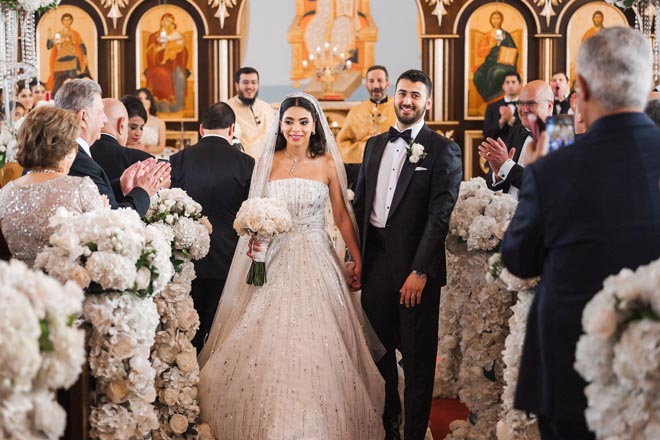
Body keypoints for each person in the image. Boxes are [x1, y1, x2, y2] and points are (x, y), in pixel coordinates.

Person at [501, 27, 660, 440]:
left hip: (570, 371)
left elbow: (518, 261)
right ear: (646, 85)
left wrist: (534, 175)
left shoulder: (554, 168)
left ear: (582, 88)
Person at [198, 93, 385, 439]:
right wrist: (254, 239)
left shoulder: (327, 163)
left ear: (315, 125)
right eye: (289, 121)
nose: (295, 128)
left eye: (303, 121)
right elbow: (255, 211)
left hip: (316, 256)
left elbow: (341, 216)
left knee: (321, 337)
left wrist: (356, 257)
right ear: (279, 125)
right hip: (273, 258)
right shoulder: (266, 163)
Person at [353, 69, 463, 440]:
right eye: (402, 93)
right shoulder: (373, 145)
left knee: (416, 359)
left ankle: (415, 432)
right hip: (376, 265)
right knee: (377, 351)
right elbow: (361, 207)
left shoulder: (443, 149)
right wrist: (356, 258)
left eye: (415, 95)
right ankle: (389, 423)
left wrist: (420, 270)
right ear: (393, 96)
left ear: (427, 102)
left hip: (416, 269)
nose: (407, 100)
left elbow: (439, 217)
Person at [169, 102, 254, 352]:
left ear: (201, 129)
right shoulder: (247, 164)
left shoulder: (178, 160)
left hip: (186, 259)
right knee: (219, 330)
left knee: (188, 328)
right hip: (229, 258)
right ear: (232, 129)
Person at [0, 106, 105, 266]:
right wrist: (103, 213)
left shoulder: (7, 192)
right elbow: (101, 244)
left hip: (20, 285)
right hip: (69, 286)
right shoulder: (81, 188)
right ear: (68, 149)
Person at [55, 79, 168, 217]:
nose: (104, 120)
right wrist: (143, 190)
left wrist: (119, 185)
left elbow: (94, 196)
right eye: (100, 112)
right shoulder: (77, 159)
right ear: (83, 117)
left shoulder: (64, 151)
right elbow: (113, 220)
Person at [478, 80, 554, 197]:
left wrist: (505, 166)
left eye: (530, 103)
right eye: (521, 103)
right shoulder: (516, 131)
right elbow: (492, 184)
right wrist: (498, 173)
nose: (524, 109)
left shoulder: (561, 133)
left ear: (549, 107)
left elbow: (546, 185)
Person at [336, 65, 397, 164]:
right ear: (367, 85)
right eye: (371, 81)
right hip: (362, 168)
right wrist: (365, 149)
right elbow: (342, 143)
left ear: (387, 84)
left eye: (380, 80)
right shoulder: (355, 112)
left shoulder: (398, 110)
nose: (376, 86)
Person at [91, 98, 153, 181]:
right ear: (121, 125)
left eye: (141, 128)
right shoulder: (143, 161)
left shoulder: (76, 154)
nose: (138, 133)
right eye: (132, 127)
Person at [226, 67, 275, 158]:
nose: (250, 87)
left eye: (253, 82)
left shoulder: (266, 108)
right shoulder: (227, 109)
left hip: (268, 164)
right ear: (237, 86)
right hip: (241, 163)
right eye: (245, 82)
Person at [145, 13, 188, 113]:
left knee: (181, 77)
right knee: (162, 75)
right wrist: (159, 50)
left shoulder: (175, 35)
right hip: (157, 65)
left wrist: (176, 52)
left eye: (170, 22)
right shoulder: (154, 36)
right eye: (166, 20)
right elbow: (149, 53)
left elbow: (183, 51)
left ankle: (177, 107)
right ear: (161, 21)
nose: (167, 23)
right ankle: (161, 106)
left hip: (173, 64)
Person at [473, 11, 519, 103]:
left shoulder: (506, 35)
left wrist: (503, 49)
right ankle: (488, 97)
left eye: (498, 18)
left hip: (504, 63)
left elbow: (514, 50)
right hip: (490, 62)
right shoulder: (487, 35)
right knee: (478, 75)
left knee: (497, 73)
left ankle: (495, 97)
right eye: (493, 18)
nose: (496, 21)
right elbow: (480, 52)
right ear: (490, 20)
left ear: (501, 20)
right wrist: (490, 46)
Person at [46, 13, 89, 94]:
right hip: (60, 60)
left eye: (68, 20)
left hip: (72, 59)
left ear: (71, 21)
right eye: (65, 20)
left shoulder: (75, 34)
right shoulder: (58, 34)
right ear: (62, 21)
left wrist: (85, 57)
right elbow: (49, 46)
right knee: (58, 81)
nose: (67, 22)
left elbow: (82, 46)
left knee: (73, 80)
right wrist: (49, 36)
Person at [482, 71, 521, 140]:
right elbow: (486, 133)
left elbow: (527, 130)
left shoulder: (526, 105)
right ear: (503, 85)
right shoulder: (492, 107)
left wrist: (511, 119)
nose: (510, 85)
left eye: (513, 82)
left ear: (519, 85)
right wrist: (502, 121)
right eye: (507, 82)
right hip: (498, 147)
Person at [136, 88, 167, 156]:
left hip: (153, 159)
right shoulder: (130, 121)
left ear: (150, 101)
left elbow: (161, 147)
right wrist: (137, 147)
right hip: (134, 158)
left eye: (147, 98)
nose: (144, 101)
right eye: (140, 99)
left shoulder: (160, 123)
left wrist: (147, 149)